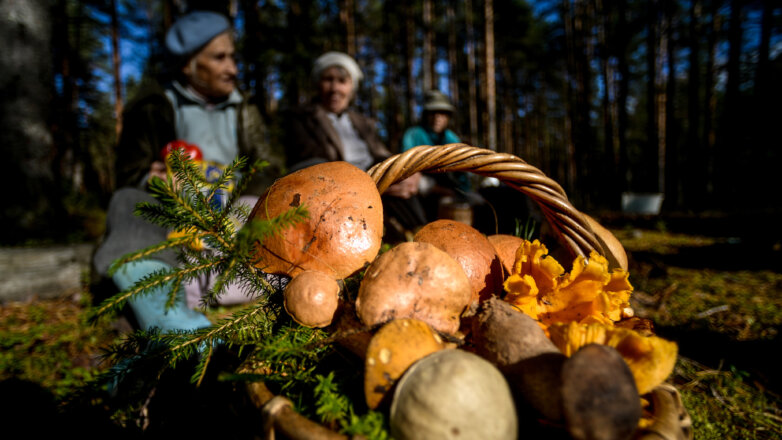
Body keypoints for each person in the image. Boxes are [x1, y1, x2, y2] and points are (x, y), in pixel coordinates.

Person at [92, 10, 284, 333]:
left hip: (237, 216)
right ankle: (168, 319)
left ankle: (292, 280)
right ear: (188, 64)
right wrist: (154, 180)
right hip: (176, 222)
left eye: (232, 57)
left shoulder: (244, 108)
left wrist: (243, 203)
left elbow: (271, 167)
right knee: (127, 201)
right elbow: (129, 175)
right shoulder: (154, 106)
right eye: (219, 58)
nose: (233, 69)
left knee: (279, 202)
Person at [282, 51, 422, 241]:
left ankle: (420, 235)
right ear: (317, 84)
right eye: (328, 80)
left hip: (380, 184)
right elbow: (312, 166)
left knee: (399, 174)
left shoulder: (362, 122)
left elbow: (381, 153)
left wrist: (405, 171)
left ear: (351, 87)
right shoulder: (301, 118)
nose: (335, 88)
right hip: (337, 194)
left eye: (342, 81)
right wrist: (370, 184)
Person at [401, 90, 476, 224]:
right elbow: (405, 167)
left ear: (448, 117)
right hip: (422, 189)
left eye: (442, 113)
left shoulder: (452, 138)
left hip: (451, 190)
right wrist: (439, 190)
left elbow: (462, 175)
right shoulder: (413, 135)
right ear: (426, 115)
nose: (437, 118)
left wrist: (463, 193)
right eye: (433, 113)